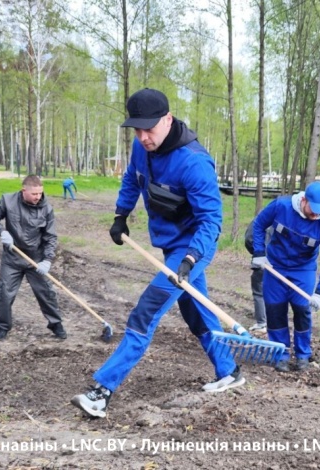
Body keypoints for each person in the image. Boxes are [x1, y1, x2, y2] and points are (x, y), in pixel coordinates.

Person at [70, 88, 243, 419]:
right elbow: (132, 180)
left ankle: (101, 391)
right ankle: (229, 370)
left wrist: (191, 259)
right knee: (195, 311)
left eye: (149, 129)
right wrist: (121, 215)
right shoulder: (141, 146)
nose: (143, 137)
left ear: (168, 119)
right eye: (136, 130)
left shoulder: (194, 163)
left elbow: (211, 221)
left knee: (145, 313)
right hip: (169, 244)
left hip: (192, 247)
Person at [250, 181, 320, 372]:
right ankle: (280, 354)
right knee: (275, 311)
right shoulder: (281, 206)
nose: (316, 214)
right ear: (304, 200)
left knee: (302, 310)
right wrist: (259, 253)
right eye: (313, 209)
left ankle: (303, 356)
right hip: (275, 267)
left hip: (303, 270)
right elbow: (258, 225)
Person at [0, 175, 67, 342]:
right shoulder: (8, 201)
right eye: (34, 194)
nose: (38, 197)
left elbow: (50, 237)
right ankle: (2, 328)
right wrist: (1, 231)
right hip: (12, 258)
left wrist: (47, 260)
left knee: (46, 293)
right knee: (4, 294)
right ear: (24, 191)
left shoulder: (47, 209)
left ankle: (56, 324)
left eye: (40, 193)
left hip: (36, 259)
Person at [243, 221, 273, 333]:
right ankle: (274, 323)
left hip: (262, 261)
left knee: (259, 292)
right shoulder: (284, 221)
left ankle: (261, 323)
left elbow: (249, 239)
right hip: (279, 263)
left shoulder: (258, 222)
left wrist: (257, 253)